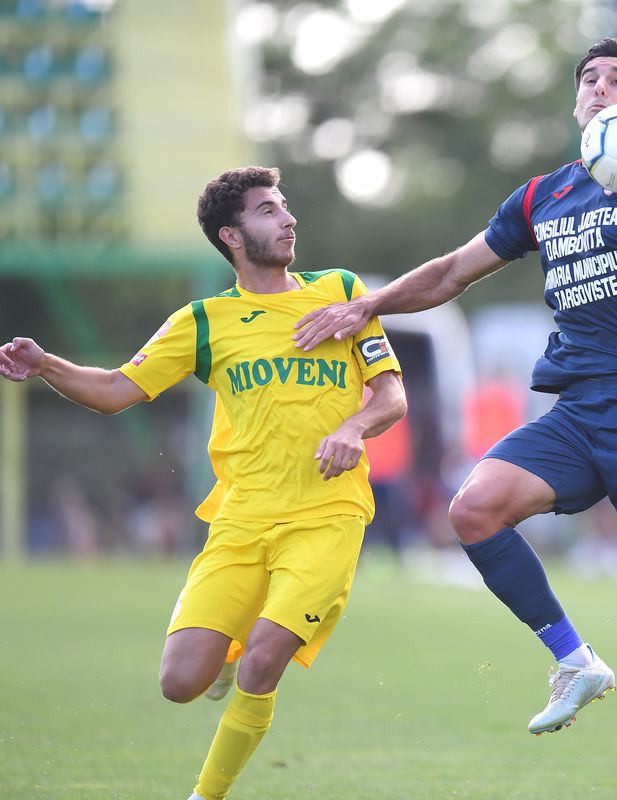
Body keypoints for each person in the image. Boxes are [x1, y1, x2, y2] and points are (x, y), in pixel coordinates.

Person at [293, 36, 617, 800]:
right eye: (590, 79)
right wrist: (368, 304)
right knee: (473, 510)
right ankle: (575, 660)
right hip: (578, 412)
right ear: (578, 104)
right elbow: (450, 272)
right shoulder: (542, 197)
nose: (601, 88)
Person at [0, 166, 407, 800]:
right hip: (241, 519)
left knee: (266, 658)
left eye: (285, 207)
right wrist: (46, 363)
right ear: (232, 235)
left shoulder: (341, 293)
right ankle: (224, 651)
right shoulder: (203, 321)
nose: (288, 218)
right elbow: (115, 391)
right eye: (268, 211)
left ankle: (204, 796)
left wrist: (354, 428)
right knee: (180, 682)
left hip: (328, 514)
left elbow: (391, 395)